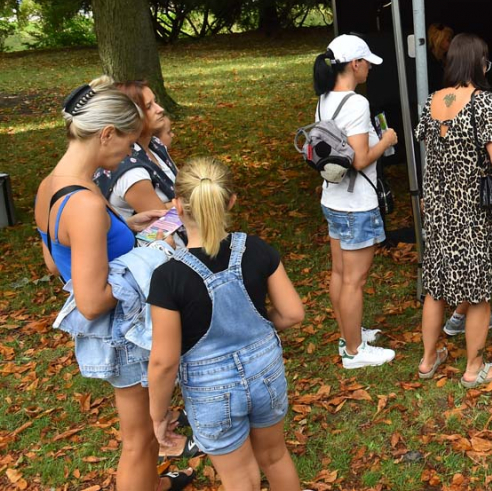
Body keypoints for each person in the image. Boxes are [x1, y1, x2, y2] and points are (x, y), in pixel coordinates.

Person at [34, 77, 194, 491]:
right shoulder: (86, 202)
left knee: (141, 436)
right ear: (106, 133)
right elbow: (91, 301)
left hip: (117, 331)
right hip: (123, 332)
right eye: (126, 142)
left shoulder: (51, 186)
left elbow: (55, 261)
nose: (129, 152)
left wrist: (127, 227)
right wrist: (151, 256)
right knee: (140, 441)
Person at [148, 157, 306, 491]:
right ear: (231, 201)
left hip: (210, 391)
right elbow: (293, 313)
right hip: (266, 372)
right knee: (275, 457)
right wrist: (256, 328)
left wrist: (158, 415)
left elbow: (164, 361)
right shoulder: (257, 249)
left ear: (177, 205)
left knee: (239, 477)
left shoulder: (167, 277)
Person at [415, 33, 492, 387]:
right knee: (478, 291)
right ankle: (474, 369)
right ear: (478, 64)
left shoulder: (432, 100)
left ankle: (428, 361)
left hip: (439, 209)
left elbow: (431, 145)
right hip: (474, 211)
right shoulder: (484, 102)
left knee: (435, 286)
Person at [312, 34, 398, 369]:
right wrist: (386, 140)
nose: (369, 69)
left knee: (339, 273)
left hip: (333, 198)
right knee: (354, 280)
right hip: (356, 203)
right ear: (355, 64)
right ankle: (354, 351)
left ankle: (348, 334)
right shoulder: (357, 103)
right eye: (367, 63)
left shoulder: (324, 98)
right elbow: (360, 159)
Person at [94, 79, 176, 220]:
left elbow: (183, 187)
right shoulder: (131, 171)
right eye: (149, 106)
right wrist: (195, 200)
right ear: (130, 115)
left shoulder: (155, 145)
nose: (159, 109)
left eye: (155, 102)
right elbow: (162, 221)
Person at [427, 23, 454, 91]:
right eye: (448, 40)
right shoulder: (428, 61)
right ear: (438, 40)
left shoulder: (446, 59)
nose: (452, 42)